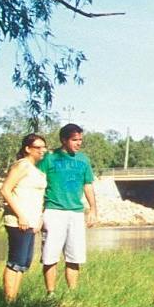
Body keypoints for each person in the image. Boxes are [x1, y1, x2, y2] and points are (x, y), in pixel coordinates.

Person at [39, 122, 99, 293]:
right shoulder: (49, 159)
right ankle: (51, 293)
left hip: (76, 213)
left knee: (75, 256)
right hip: (53, 211)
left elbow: (88, 185)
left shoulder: (83, 160)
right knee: (50, 256)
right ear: (63, 140)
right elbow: (37, 182)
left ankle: (72, 292)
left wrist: (93, 210)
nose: (78, 143)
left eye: (80, 139)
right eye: (74, 140)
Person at [0, 133, 48, 302]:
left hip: (31, 222)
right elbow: (5, 190)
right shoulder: (22, 166)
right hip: (19, 221)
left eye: (44, 147)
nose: (42, 150)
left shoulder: (35, 169)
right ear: (27, 149)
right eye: (38, 147)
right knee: (15, 261)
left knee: (23, 263)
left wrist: (39, 218)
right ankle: (8, 301)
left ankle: (14, 300)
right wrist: (21, 216)